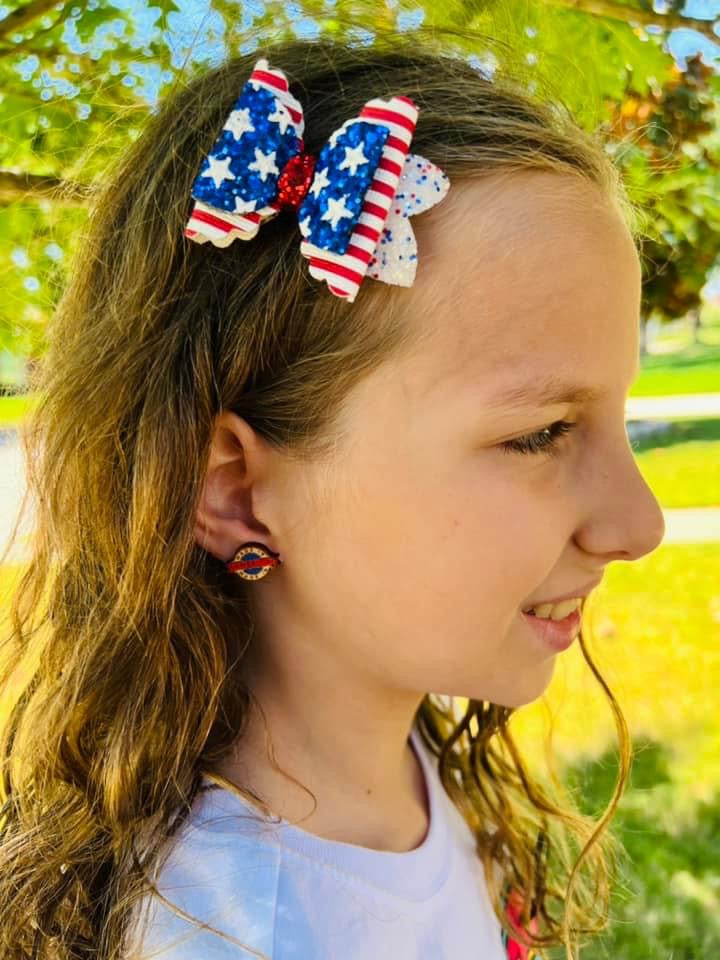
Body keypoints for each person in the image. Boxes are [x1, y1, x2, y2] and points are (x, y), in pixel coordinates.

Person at [0, 30, 666, 960]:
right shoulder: (227, 932)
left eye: (617, 419)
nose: (640, 525)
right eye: (539, 433)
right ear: (233, 490)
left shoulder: (403, 783)